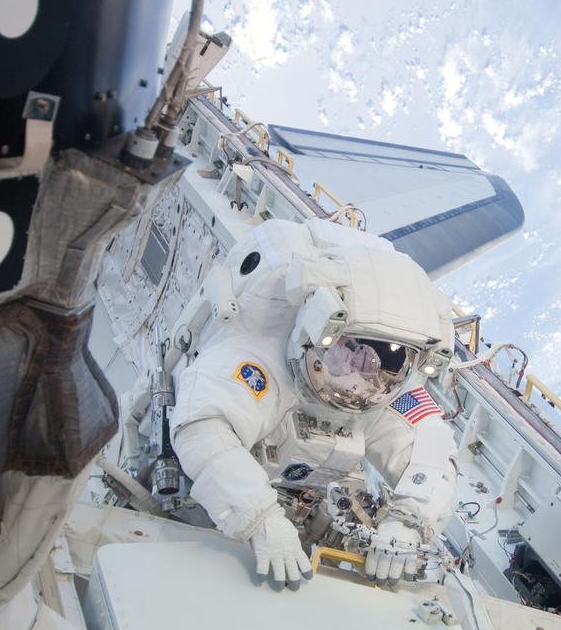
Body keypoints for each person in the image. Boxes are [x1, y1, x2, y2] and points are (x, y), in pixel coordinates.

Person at [169, 219, 459, 590]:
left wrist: (407, 524)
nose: (359, 381)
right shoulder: (258, 360)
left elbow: (435, 458)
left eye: (386, 361)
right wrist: (260, 519)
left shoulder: (388, 390)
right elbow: (203, 430)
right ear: (314, 330)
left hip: (307, 505)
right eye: (347, 353)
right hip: (227, 504)